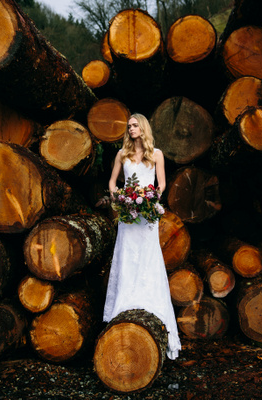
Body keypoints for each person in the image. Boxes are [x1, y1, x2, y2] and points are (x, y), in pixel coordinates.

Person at [103, 113, 181, 360]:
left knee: (147, 258)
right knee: (127, 255)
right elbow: (113, 182)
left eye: (135, 126)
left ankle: (150, 305)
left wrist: (149, 201)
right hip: (128, 217)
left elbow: (162, 184)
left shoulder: (156, 154)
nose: (132, 129)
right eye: (129, 126)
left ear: (143, 128)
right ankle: (125, 306)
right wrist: (120, 200)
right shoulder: (122, 154)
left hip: (147, 216)